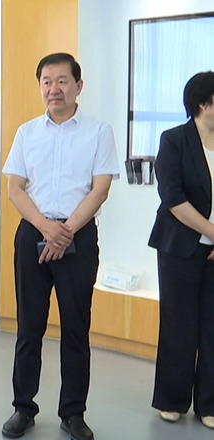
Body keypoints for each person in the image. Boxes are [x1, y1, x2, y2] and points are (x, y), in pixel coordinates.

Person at [0, 53, 119, 440]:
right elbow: (15, 188)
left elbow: (100, 189)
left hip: (77, 237)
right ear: (40, 87)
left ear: (78, 86)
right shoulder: (27, 132)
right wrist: (46, 228)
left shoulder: (99, 132)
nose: (54, 89)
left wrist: (64, 231)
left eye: (62, 81)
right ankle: (23, 407)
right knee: (29, 327)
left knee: (76, 328)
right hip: (32, 234)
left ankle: (73, 413)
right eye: (47, 81)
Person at [148, 71, 214, 429]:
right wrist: (212, 233)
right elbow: (172, 197)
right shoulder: (174, 139)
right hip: (180, 245)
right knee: (178, 322)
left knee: (212, 326)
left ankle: (209, 403)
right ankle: (172, 399)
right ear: (203, 104)